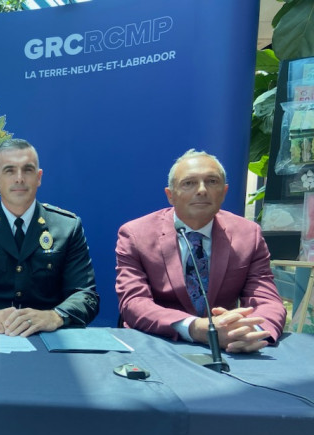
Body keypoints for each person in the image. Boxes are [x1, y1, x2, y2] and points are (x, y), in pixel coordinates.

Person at [115, 149, 286, 353]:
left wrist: (253, 331)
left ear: (224, 191)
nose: (202, 190)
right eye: (189, 183)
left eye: (212, 181)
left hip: (227, 347)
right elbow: (134, 303)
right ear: (170, 195)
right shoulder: (135, 234)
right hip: (159, 343)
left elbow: (267, 300)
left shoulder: (249, 234)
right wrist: (196, 328)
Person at [0, 138, 99, 336]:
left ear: (39, 177)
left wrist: (54, 316)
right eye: (9, 170)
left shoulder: (67, 227)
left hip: (49, 337)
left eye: (28, 170)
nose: (19, 178)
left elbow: (86, 295)